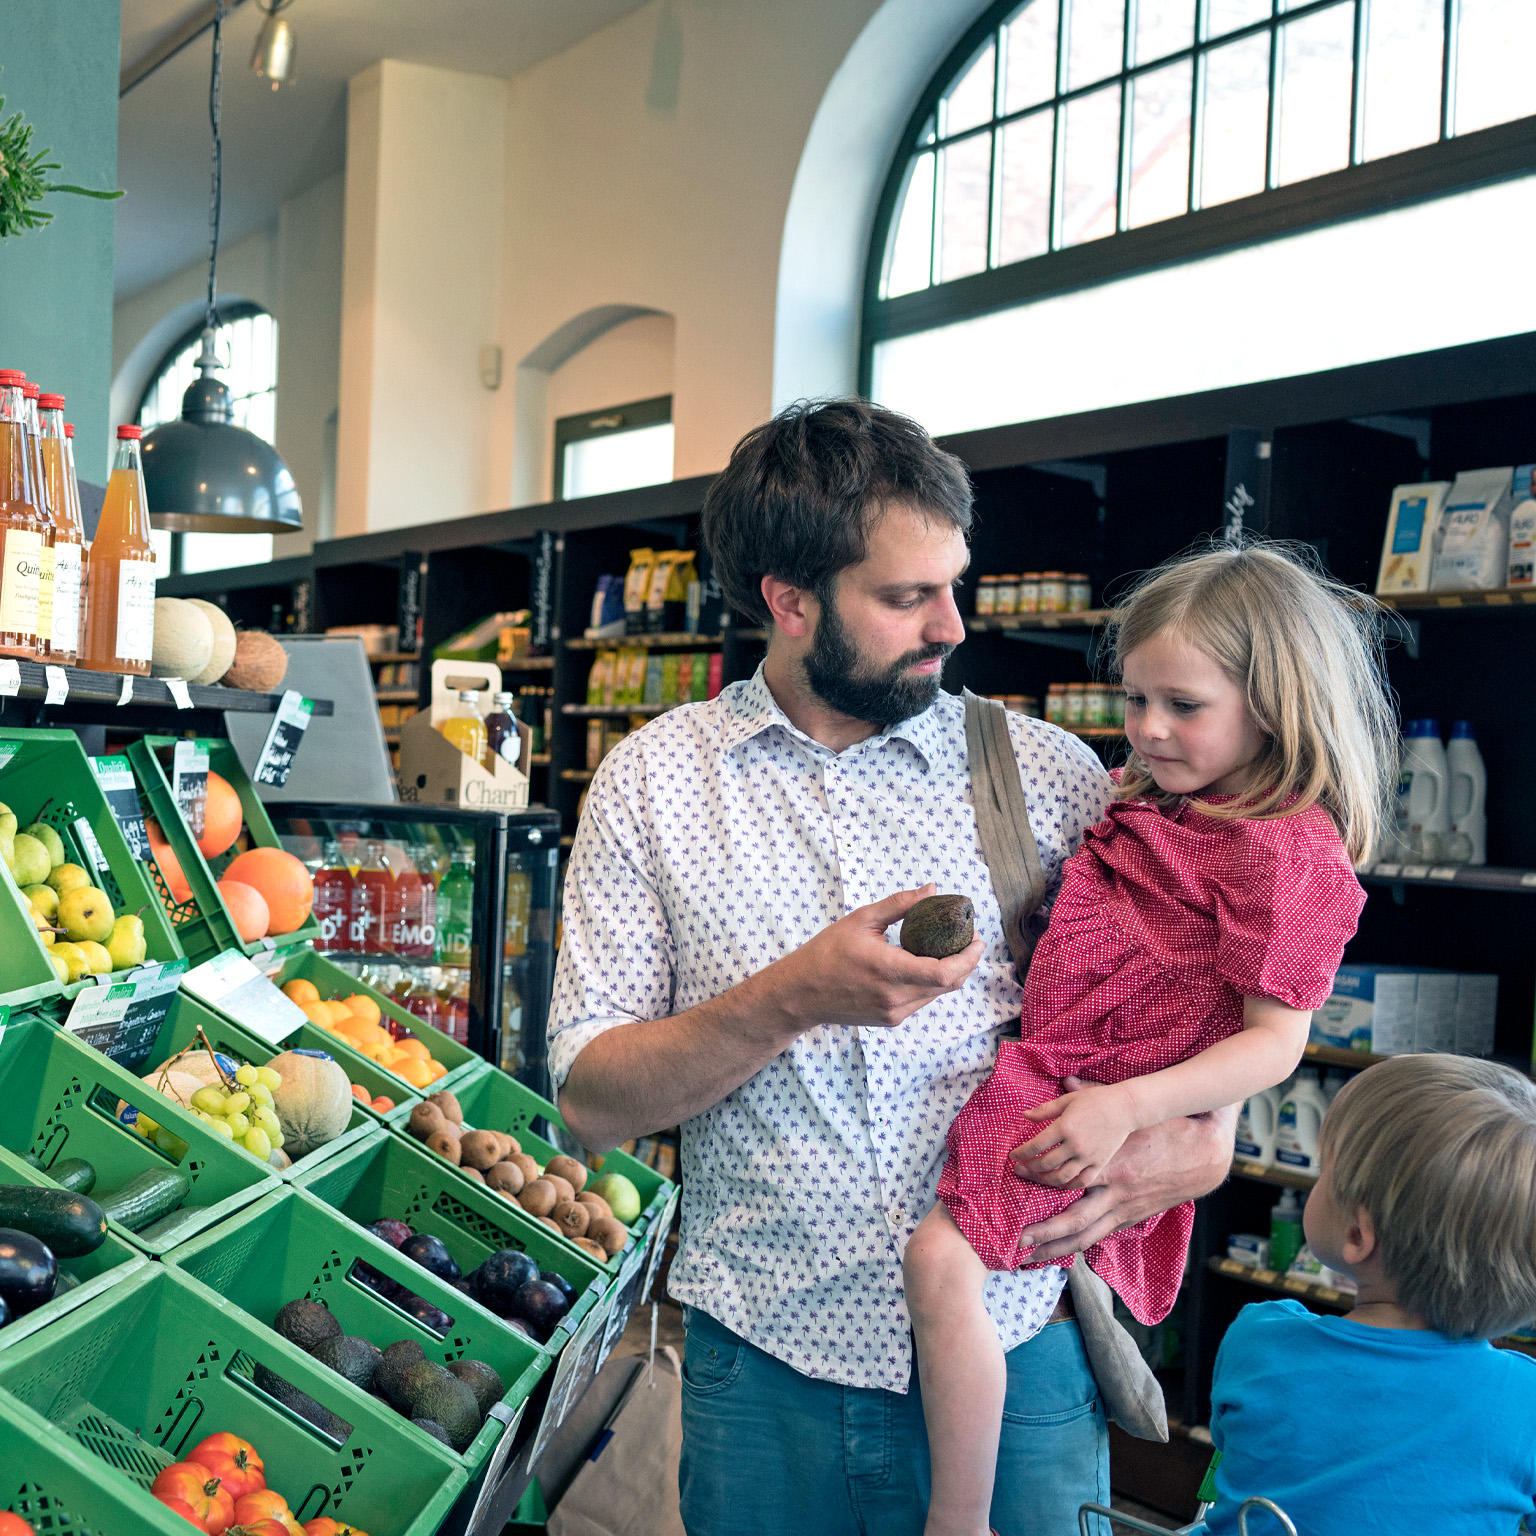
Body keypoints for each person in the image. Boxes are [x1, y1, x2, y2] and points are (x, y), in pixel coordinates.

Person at [549, 398, 1238, 1536]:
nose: (952, 624)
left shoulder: (1051, 777)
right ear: (790, 599)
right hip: (761, 1369)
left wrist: (1202, 1145)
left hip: (1022, 1359)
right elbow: (592, 1100)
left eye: (955, 583)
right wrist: (792, 999)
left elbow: (1209, 998)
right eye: (906, 596)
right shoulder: (653, 784)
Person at [903, 544, 1397, 1536]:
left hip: (1098, 1094)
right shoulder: (1174, 799)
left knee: (938, 1261)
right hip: (1067, 1074)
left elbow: (1274, 1047)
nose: (1148, 729)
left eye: (1183, 706)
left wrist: (1126, 1106)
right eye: (1135, 701)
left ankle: (958, 1517)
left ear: (1274, 704)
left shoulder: (1287, 848)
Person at [1205, 1053, 1536, 1532]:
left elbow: (1233, 1452)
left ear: (1358, 1236)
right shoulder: (1523, 1399)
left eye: (1323, 1172)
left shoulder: (1260, 1338)